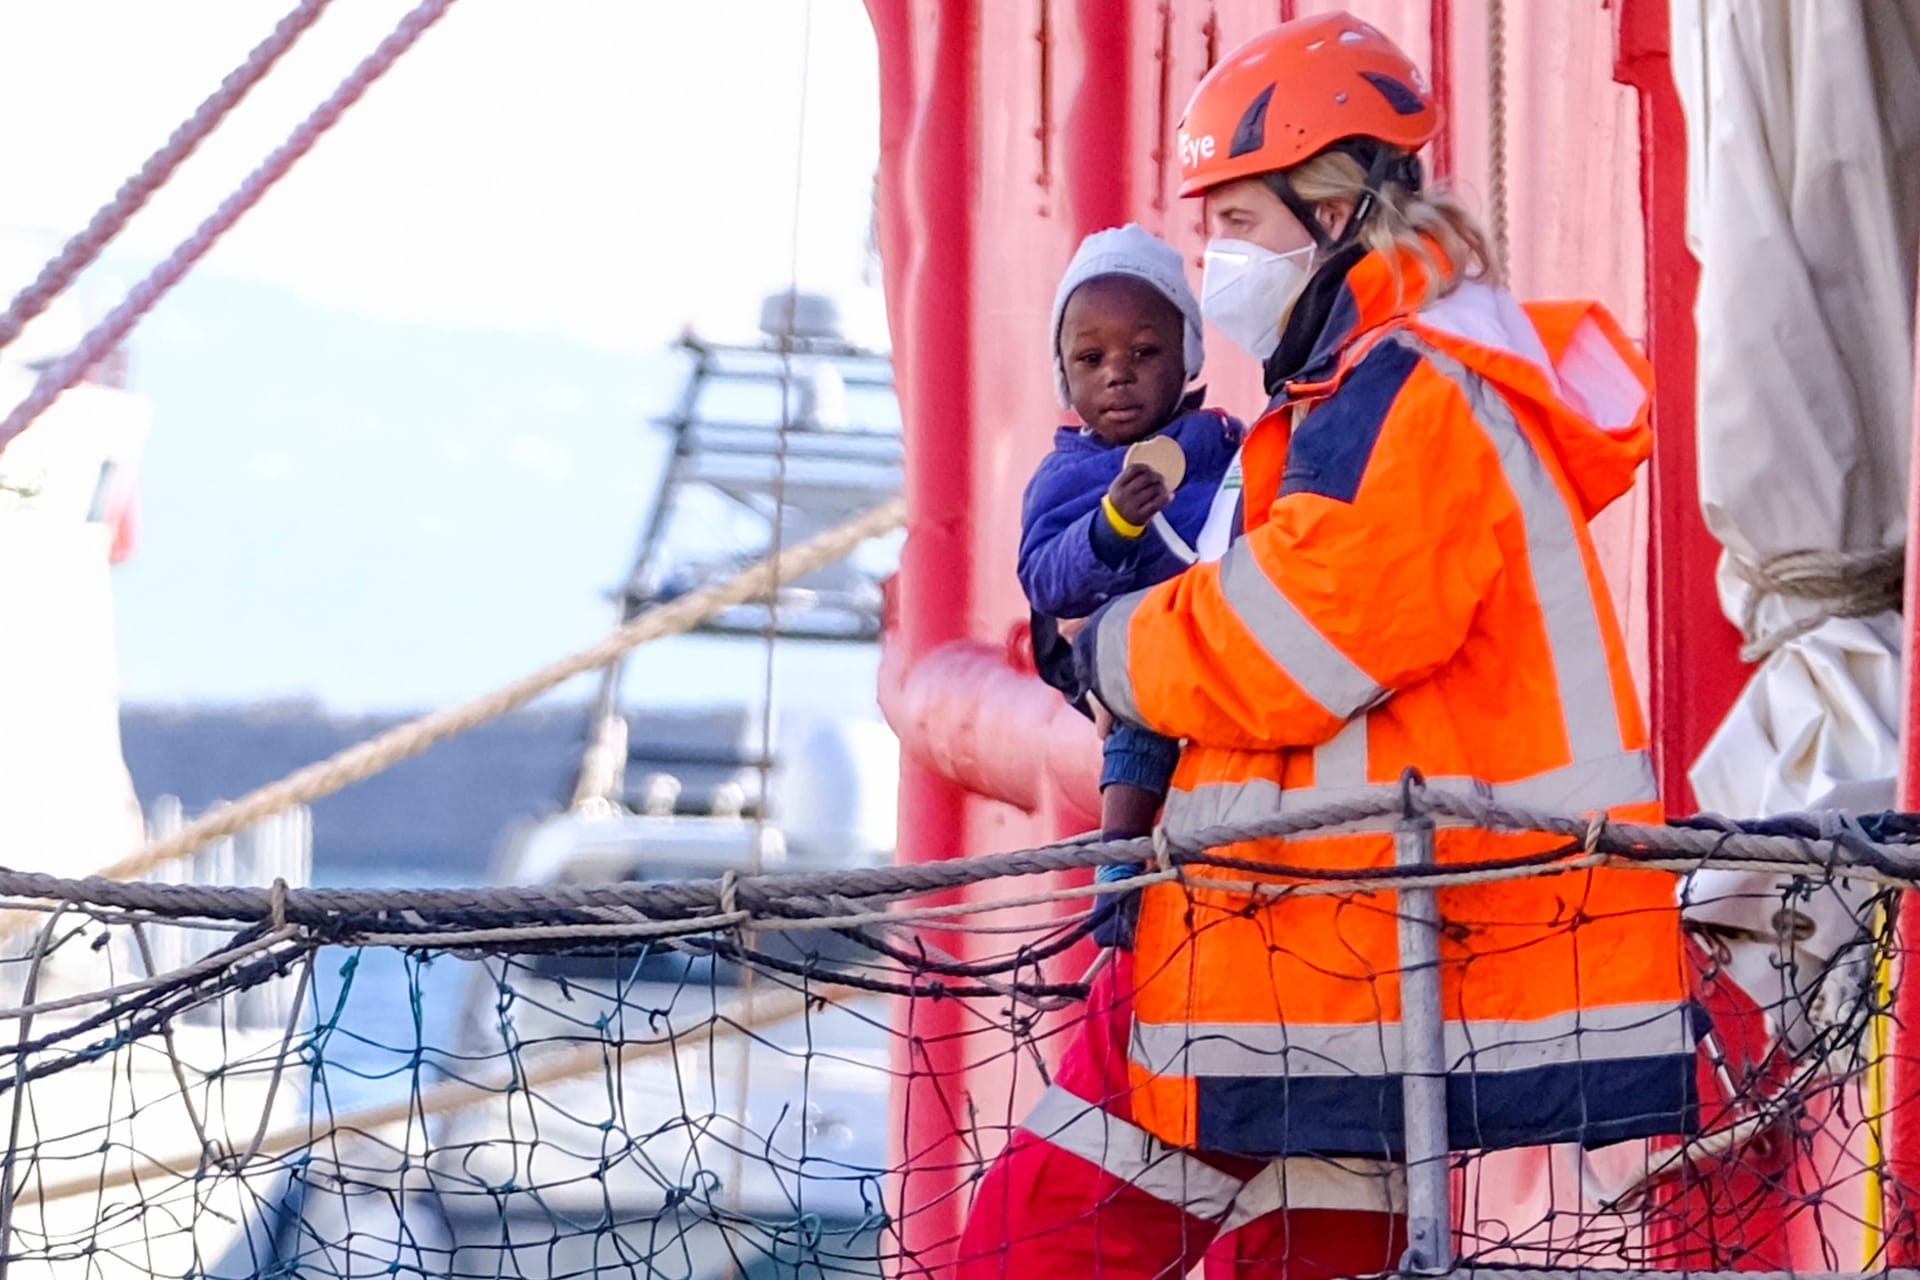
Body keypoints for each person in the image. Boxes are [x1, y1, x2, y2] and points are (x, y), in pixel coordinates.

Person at [958, 12, 1694, 1279]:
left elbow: (1304, 634)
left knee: (1027, 1249)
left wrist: (1111, 646)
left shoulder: (1409, 392)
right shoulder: (1362, 392)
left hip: (1312, 963)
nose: (1216, 260)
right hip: (1329, 958)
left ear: (1337, 211)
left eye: (1237, 224)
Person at [1017, 224, 1241, 946]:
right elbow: (1045, 578)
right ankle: (1118, 872)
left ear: (1189, 357)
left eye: (1144, 354)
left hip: (1227, 634)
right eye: (1091, 358)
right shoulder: (1068, 476)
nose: (1118, 374)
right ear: (1064, 374)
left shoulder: (1223, 440)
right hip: (1140, 650)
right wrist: (1110, 526)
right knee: (1137, 732)